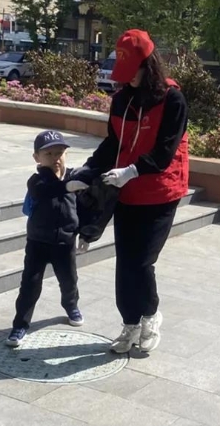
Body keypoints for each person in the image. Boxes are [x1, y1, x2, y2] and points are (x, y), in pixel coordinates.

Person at [73, 29, 189, 354]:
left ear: (148, 65)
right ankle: (129, 323)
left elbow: (165, 151)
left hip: (161, 191)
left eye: (133, 72)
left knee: (141, 262)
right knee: (125, 262)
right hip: (125, 192)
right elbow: (113, 143)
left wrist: (132, 171)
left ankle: (150, 316)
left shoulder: (172, 100)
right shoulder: (122, 100)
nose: (129, 79)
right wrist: (88, 170)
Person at [6, 131, 90, 347]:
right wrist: (67, 186)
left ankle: (71, 305)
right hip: (38, 242)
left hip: (65, 242)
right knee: (30, 284)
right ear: (37, 157)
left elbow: (85, 209)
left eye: (60, 153)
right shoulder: (36, 181)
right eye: (49, 154)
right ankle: (20, 324)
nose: (55, 158)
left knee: (69, 280)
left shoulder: (75, 178)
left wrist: (87, 234)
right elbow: (46, 191)